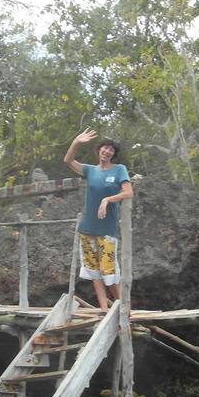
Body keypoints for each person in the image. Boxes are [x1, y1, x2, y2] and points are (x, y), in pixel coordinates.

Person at [64, 127, 134, 309]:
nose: (107, 151)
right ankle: (104, 309)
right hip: (87, 229)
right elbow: (68, 160)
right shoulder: (90, 170)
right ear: (99, 150)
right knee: (94, 273)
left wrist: (107, 199)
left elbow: (128, 192)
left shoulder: (119, 170)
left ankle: (124, 309)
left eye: (111, 149)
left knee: (109, 273)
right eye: (105, 147)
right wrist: (76, 142)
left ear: (113, 154)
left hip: (107, 230)